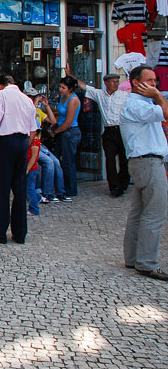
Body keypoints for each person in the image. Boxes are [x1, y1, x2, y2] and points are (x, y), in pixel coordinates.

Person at [118, 65, 168, 281]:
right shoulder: (137, 105)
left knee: (139, 212)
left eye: (155, 81)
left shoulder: (140, 103)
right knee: (154, 213)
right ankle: (146, 262)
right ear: (136, 83)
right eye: (150, 81)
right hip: (148, 162)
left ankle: (133, 258)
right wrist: (159, 96)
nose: (154, 85)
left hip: (144, 162)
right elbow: (165, 112)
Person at [0, 73, 38, 244]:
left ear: (0, 85)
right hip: (22, 142)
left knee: (1, 188)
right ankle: (20, 233)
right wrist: (24, 144)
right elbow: (33, 129)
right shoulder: (27, 100)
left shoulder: (0, 95)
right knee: (19, 188)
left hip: (6, 141)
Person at [66, 63, 130, 197]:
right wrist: (69, 74)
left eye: (117, 82)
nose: (115, 84)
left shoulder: (124, 95)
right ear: (106, 82)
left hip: (122, 130)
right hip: (108, 131)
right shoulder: (100, 94)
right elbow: (83, 86)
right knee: (110, 160)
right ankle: (114, 187)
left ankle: (123, 182)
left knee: (124, 160)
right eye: (112, 82)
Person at [52, 76, 81, 200]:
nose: (60, 89)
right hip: (62, 131)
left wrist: (56, 132)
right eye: (60, 87)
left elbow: (69, 121)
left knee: (68, 162)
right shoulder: (64, 98)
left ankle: (70, 189)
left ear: (70, 89)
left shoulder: (73, 100)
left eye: (63, 88)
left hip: (70, 132)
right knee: (56, 158)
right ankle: (59, 186)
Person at [26, 128, 42, 216]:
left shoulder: (35, 142)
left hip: (32, 170)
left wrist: (27, 169)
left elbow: (34, 157)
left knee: (30, 189)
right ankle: (38, 198)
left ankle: (34, 209)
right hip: (30, 169)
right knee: (28, 189)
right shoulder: (31, 141)